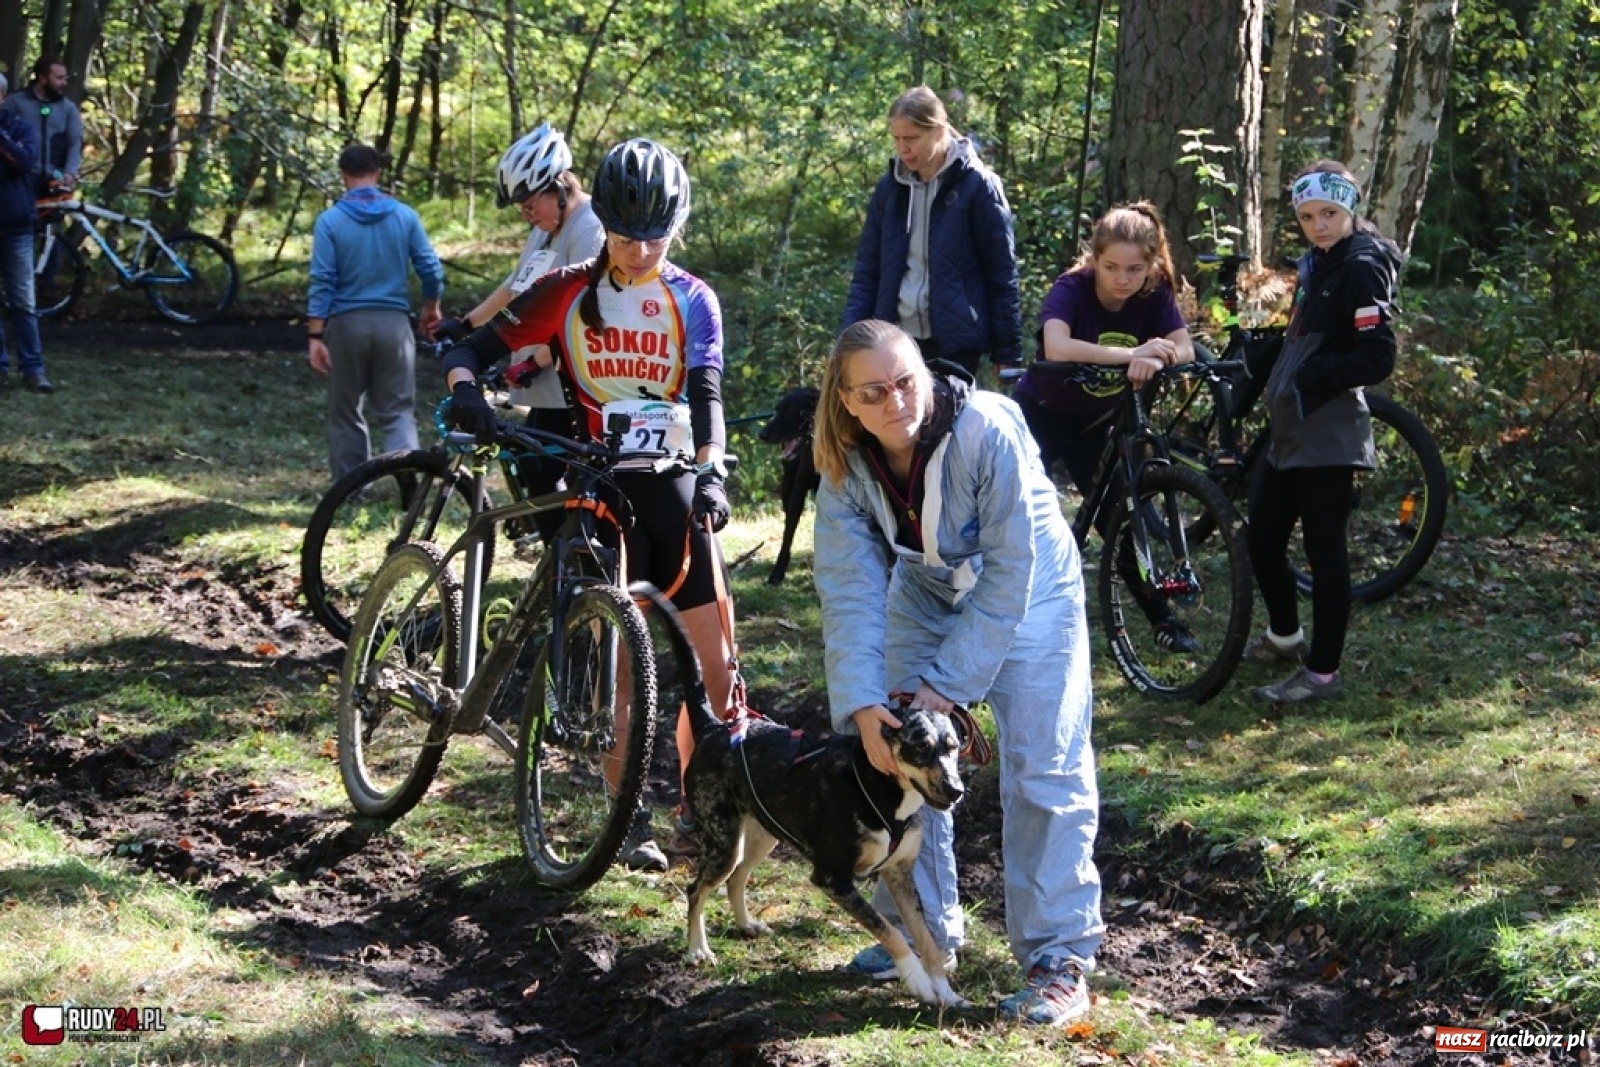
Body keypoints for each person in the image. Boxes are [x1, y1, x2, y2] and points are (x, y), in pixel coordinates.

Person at [441, 138, 736, 872]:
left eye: (656, 233)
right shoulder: (569, 288)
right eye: (626, 232)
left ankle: (708, 811)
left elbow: (707, 395)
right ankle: (626, 812)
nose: (640, 249)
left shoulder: (693, 298)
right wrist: (465, 393)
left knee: (720, 668)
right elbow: (473, 349)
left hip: (672, 490)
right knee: (625, 662)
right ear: (602, 219)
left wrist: (712, 471)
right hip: (599, 490)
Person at [811, 319, 1104, 1026]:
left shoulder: (987, 428)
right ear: (847, 401)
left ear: (926, 372)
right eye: (873, 391)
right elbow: (849, 589)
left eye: (905, 381)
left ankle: (1057, 958)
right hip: (926, 588)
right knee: (894, 748)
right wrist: (861, 706)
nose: (895, 400)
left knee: (1043, 765)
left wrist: (947, 687)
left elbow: (1010, 572)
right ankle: (924, 927)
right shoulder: (845, 466)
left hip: (1030, 588)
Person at [1011, 202, 1198, 651]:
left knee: (1120, 517)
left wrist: (1159, 355)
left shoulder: (1154, 295)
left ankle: (1161, 620)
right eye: (1111, 266)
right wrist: (1133, 355)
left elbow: (1187, 350)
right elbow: (1057, 348)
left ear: (1151, 265)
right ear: (1094, 258)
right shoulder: (1071, 289)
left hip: (1095, 425)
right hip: (1040, 415)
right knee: (1012, 515)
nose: (1122, 279)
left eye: (1134, 269)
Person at [1247, 161, 1401, 703]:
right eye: (1308, 215)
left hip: (1329, 431)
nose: (1319, 224)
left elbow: (1377, 354)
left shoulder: (1361, 265)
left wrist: (1310, 377)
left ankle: (1322, 676)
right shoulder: (1318, 261)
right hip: (1291, 428)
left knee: (1324, 551)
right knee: (1260, 537)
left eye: (1330, 213)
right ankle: (1286, 636)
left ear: (1350, 209)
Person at [431, 123, 604, 542]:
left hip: (578, 383)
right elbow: (515, 287)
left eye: (530, 205)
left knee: (550, 471)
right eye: (522, 209)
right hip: (548, 381)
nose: (527, 215)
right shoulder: (545, 229)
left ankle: (578, 566)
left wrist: (536, 359)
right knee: (537, 470)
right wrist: (467, 324)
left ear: (560, 186)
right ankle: (561, 564)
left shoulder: (590, 230)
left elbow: (585, 316)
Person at [842, 86, 1021, 377]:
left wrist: (1008, 352)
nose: (903, 149)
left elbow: (1002, 274)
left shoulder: (979, 186)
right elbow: (867, 271)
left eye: (911, 138)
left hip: (957, 342)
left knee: (948, 421)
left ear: (939, 131)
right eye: (897, 139)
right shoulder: (889, 189)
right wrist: (847, 342)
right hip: (894, 338)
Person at [307, 143, 443, 482]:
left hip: (346, 325)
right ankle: (407, 480)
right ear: (378, 173)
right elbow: (430, 267)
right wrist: (431, 306)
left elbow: (322, 279)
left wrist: (314, 335)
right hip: (394, 326)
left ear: (343, 175)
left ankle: (350, 489)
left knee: (346, 411)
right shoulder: (404, 216)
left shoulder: (330, 221)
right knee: (397, 411)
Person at [0, 72, 51, 393]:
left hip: (16, 226)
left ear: (2, 97)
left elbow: (24, 160)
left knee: (23, 302)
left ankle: (34, 369)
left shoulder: (20, 128)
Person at [1, 56, 82, 196]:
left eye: (65, 78)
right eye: (59, 78)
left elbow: (75, 142)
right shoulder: (15, 102)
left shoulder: (69, 108)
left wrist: (70, 172)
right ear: (43, 78)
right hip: (22, 180)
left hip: (55, 180)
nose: (64, 83)